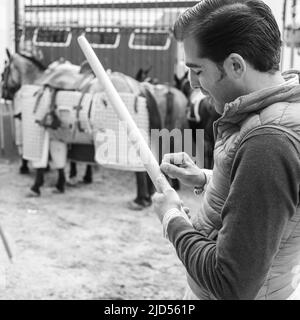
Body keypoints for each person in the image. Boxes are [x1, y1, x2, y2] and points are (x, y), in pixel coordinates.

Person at [153, 0, 300, 300]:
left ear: (235, 65)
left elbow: (229, 284)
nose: (193, 83)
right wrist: (206, 178)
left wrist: (172, 218)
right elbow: (267, 193)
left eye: (197, 70)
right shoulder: (278, 111)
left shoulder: (268, 141)